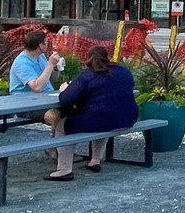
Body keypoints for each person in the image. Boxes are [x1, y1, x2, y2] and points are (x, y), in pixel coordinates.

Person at [46, 45, 138, 181]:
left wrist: (65, 89)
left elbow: (66, 99)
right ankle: (95, 160)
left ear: (88, 59)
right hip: (127, 119)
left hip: (101, 120)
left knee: (62, 126)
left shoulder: (87, 75)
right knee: (103, 120)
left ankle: (64, 169)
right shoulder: (123, 71)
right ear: (106, 57)